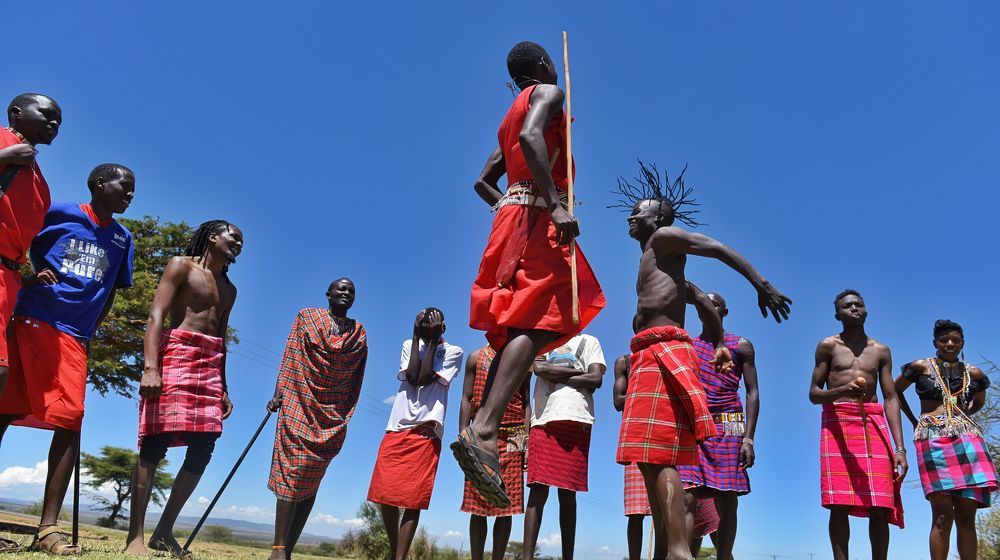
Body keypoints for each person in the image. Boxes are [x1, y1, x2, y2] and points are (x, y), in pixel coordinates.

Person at [614, 160, 791, 560]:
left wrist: (760, 285)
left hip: (662, 351)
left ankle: (678, 551)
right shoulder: (659, 264)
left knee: (657, 453)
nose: (631, 215)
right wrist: (717, 340)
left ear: (657, 217)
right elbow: (701, 299)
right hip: (648, 352)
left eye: (639, 210)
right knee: (647, 455)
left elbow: (714, 247)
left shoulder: (664, 238)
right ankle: (667, 551)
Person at [456, 40, 606, 506]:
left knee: (534, 318)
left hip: (515, 215)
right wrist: (556, 204)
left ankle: (484, 422)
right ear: (542, 66)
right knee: (543, 316)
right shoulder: (548, 94)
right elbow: (531, 138)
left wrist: (509, 202)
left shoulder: (509, 113)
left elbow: (484, 179)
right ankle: (484, 428)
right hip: (538, 215)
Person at [0, 163, 134, 554]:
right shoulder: (59, 213)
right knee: (4, 412)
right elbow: (15, 246)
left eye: (133, 189)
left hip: (74, 337)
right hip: (31, 319)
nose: (129, 194)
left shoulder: (123, 240)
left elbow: (111, 290)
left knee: (70, 420)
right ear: (98, 184)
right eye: (123, 186)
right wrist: (26, 279)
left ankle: (48, 531)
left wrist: (91, 328)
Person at [124, 220, 243, 557]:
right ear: (213, 236)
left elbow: (221, 338)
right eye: (234, 236)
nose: (239, 243)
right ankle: (135, 537)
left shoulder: (229, 289)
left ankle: (163, 531)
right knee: (155, 442)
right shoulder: (180, 266)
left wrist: (224, 387)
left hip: (209, 366)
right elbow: (156, 315)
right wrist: (151, 367)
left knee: (205, 446)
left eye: (242, 241)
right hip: (175, 353)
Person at [266, 278, 367, 560]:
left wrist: (341, 412)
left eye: (351, 291)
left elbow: (355, 377)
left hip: (330, 413)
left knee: (312, 479)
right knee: (293, 470)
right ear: (328, 294)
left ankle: (287, 549)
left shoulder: (358, 333)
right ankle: (278, 548)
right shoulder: (306, 317)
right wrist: (278, 394)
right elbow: (290, 358)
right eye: (341, 288)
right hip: (298, 402)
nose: (346, 292)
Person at [808, 289, 907, 560]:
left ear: (866, 310)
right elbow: (814, 394)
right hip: (837, 421)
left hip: (872, 421)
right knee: (838, 502)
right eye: (847, 306)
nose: (854, 309)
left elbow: (890, 398)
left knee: (880, 502)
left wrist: (900, 448)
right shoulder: (828, 346)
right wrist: (841, 392)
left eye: (858, 305)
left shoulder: (881, 351)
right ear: (837, 314)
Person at [895, 319, 997, 560]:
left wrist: (962, 417)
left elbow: (979, 401)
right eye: (944, 340)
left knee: (967, 516)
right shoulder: (920, 367)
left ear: (963, 343)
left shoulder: (973, 373)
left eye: (956, 340)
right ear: (935, 343)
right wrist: (914, 420)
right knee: (942, 516)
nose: (950, 344)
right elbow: (895, 390)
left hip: (969, 439)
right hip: (931, 437)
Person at [368, 308, 463, 560]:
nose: (426, 326)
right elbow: (410, 376)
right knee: (384, 494)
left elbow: (423, 378)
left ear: (443, 327)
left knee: (412, 500)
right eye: (422, 322)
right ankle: (393, 548)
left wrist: (431, 341)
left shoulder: (453, 352)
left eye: (432, 323)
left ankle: (399, 557)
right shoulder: (409, 344)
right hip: (397, 426)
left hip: (426, 431)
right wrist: (415, 335)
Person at [677, 292, 758, 560]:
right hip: (695, 421)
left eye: (715, 304)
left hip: (731, 422)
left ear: (724, 312)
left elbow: (752, 392)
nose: (709, 307)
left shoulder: (741, 345)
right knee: (688, 496)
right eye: (704, 303)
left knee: (728, 498)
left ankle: (724, 556)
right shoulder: (687, 344)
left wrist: (748, 439)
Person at [522, 333, 605, 560]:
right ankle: (526, 557)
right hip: (544, 419)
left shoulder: (590, 341)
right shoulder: (543, 340)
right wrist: (581, 374)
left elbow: (596, 379)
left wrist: (557, 373)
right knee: (537, 491)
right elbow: (540, 370)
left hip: (577, 417)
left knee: (568, 496)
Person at [0, 93, 61, 401]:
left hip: (9, 283)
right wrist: (5, 157)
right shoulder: (1, 139)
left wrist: (27, 280)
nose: (54, 123)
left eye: (59, 122)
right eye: (48, 114)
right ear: (16, 112)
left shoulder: (41, 184)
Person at [458, 344, 529, 560]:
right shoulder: (475, 358)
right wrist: (463, 433)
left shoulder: (523, 357)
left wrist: (526, 442)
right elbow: (467, 398)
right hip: (480, 435)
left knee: (507, 505)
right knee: (477, 504)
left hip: (514, 435)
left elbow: (526, 403)